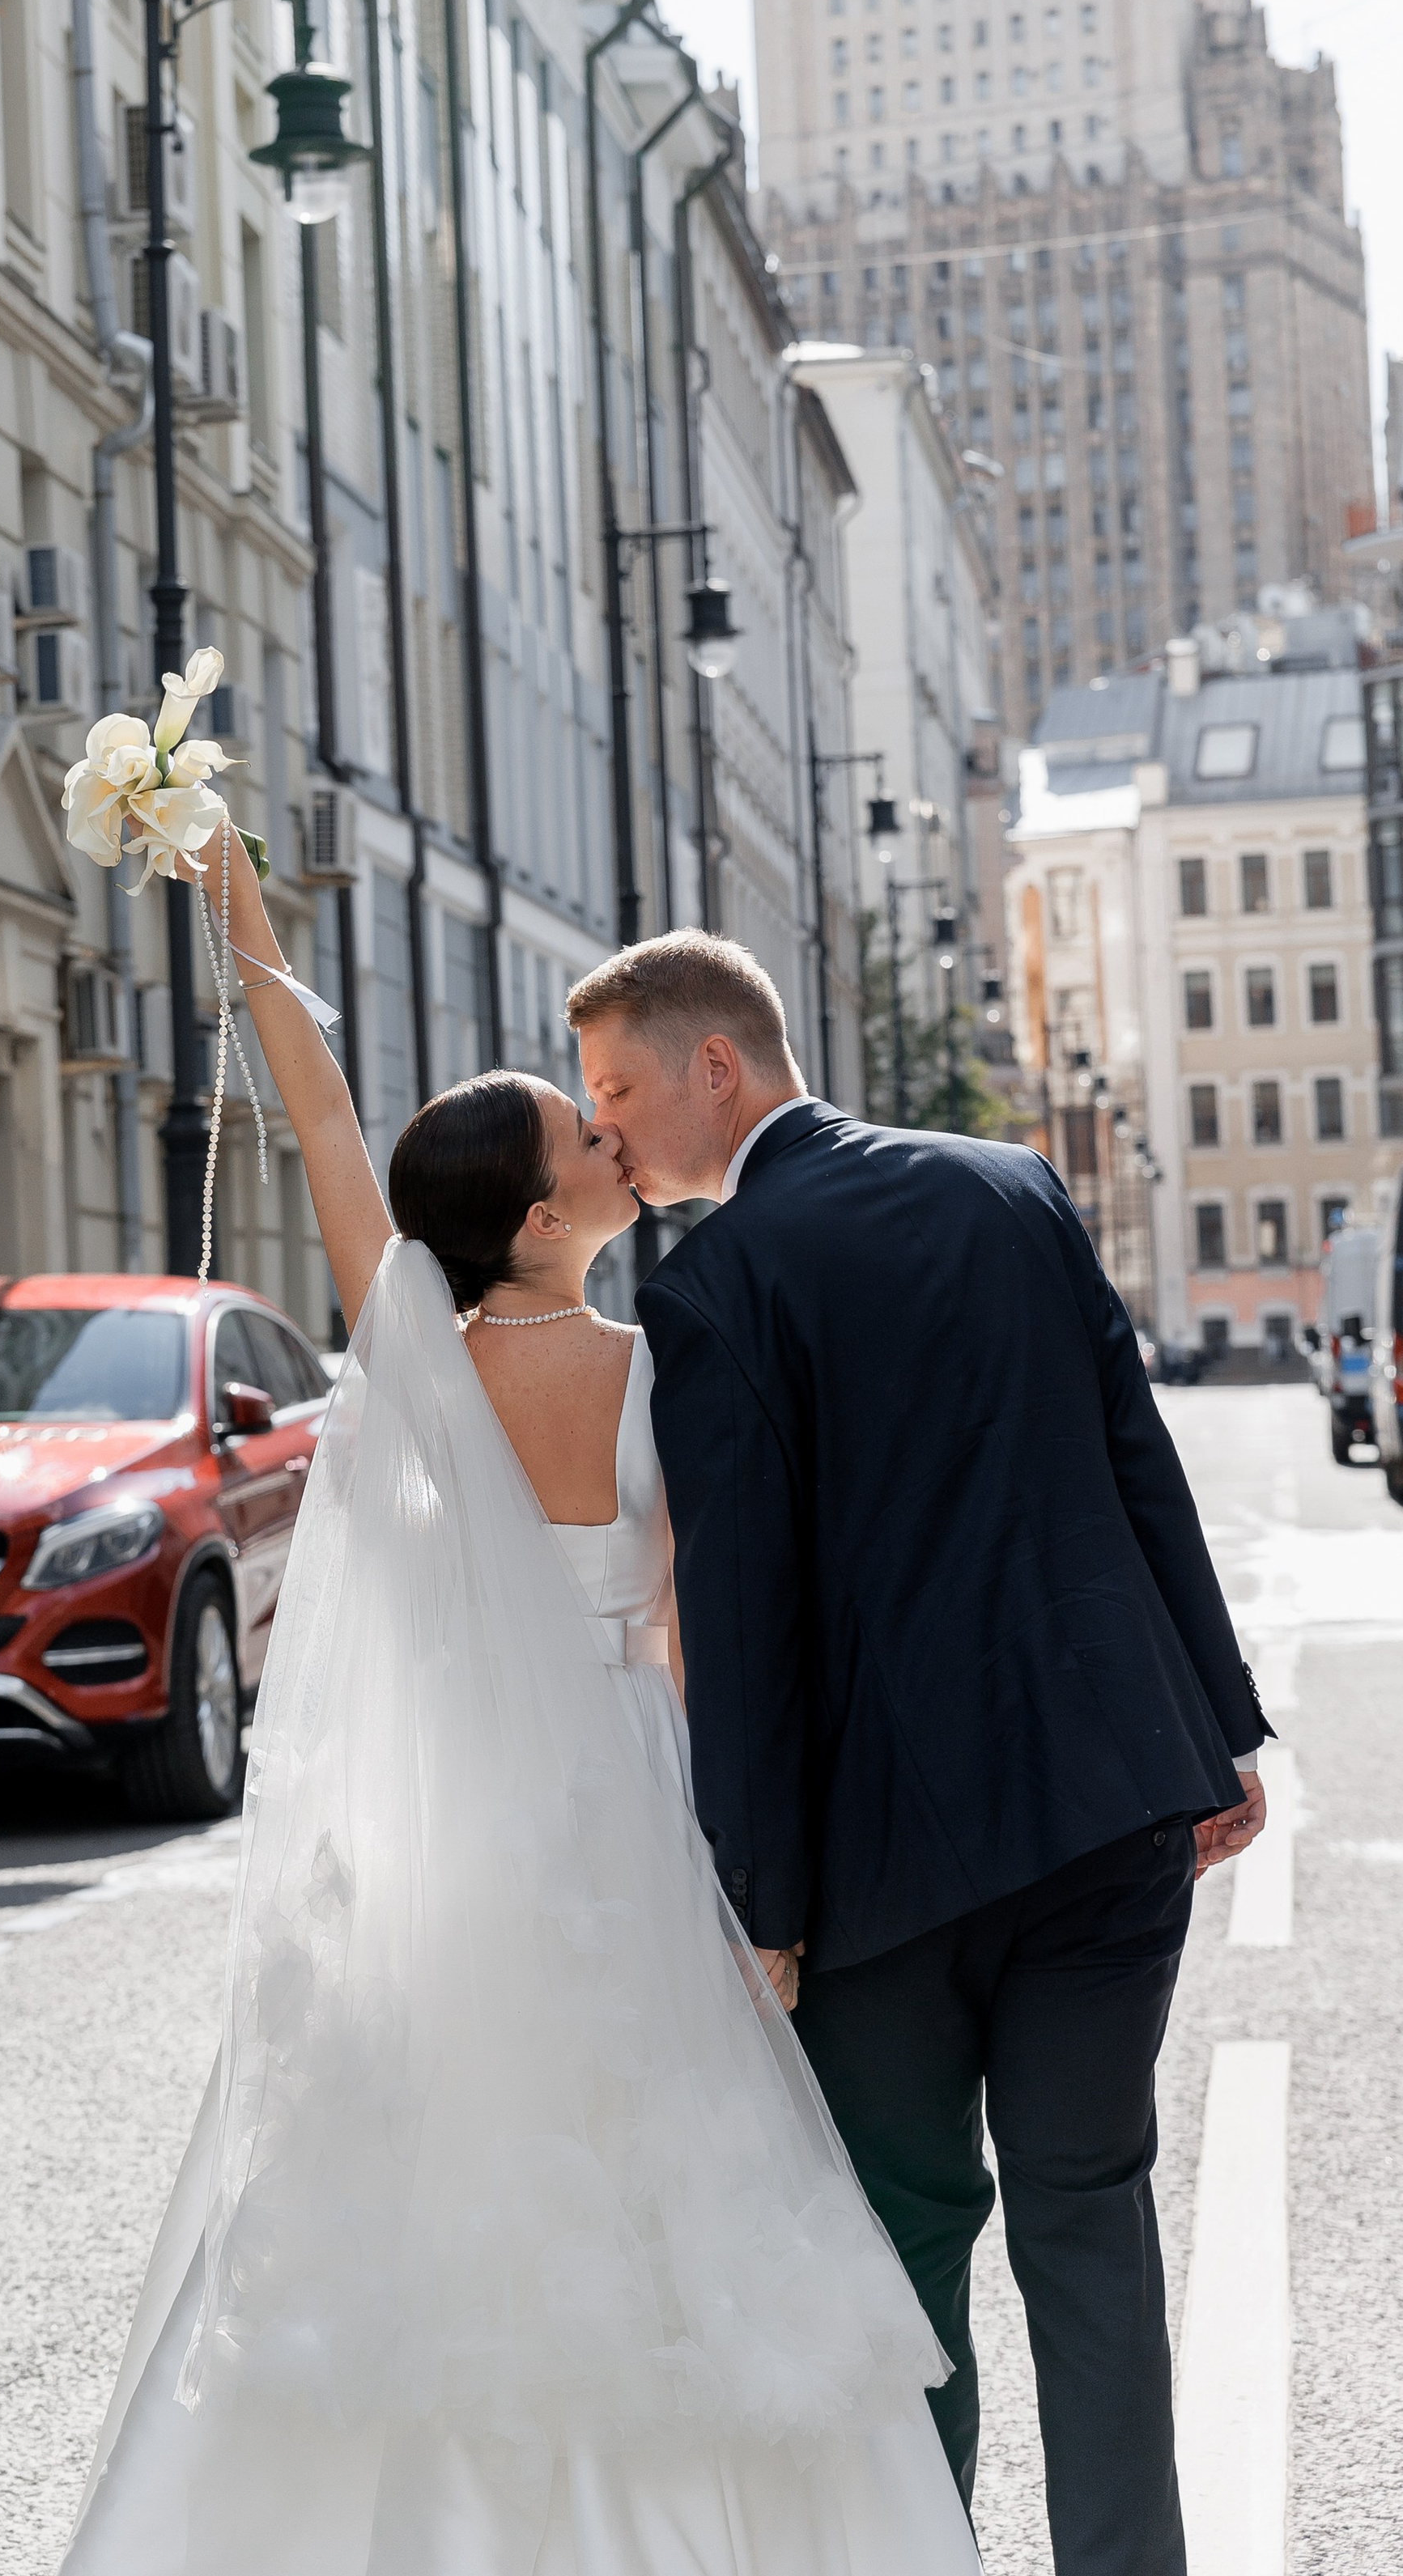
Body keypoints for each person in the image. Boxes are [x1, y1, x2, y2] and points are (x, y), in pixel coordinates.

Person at [59, 826, 981, 2573]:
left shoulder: (410, 1357)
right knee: (671, 2175)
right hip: (631, 1797)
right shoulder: (659, 1359)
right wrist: (761, 1890)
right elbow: (705, 1643)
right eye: (583, 1138)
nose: (611, 1136)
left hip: (465, 1824)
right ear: (544, 1216)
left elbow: (328, 1128)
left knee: (448, 2163)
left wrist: (237, 910)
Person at [569, 927, 1271, 2576]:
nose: (603, 1130)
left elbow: (743, 1620)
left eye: (615, 1088)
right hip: (1105, 1804)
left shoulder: (713, 1285)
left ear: (714, 1067)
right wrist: (1215, 1725)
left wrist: (759, 1897)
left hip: (878, 1865)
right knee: (1087, 2216)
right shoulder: (1008, 1185)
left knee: (906, 2247)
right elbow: (1129, 1456)